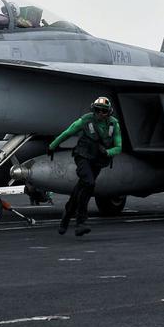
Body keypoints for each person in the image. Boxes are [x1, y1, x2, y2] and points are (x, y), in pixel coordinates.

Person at [48, 96, 122, 236]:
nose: (100, 113)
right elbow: (68, 132)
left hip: (98, 160)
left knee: (82, 189)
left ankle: (67, 216)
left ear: (109, 112)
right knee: (89, 182)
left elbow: (118, 147)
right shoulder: (86, 120)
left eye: (104, 111)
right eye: (98, 110)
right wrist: (52, 146)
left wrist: (107, 152)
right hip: (83, 156)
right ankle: (81, 222)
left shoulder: (114, 125)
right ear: (93, 109)